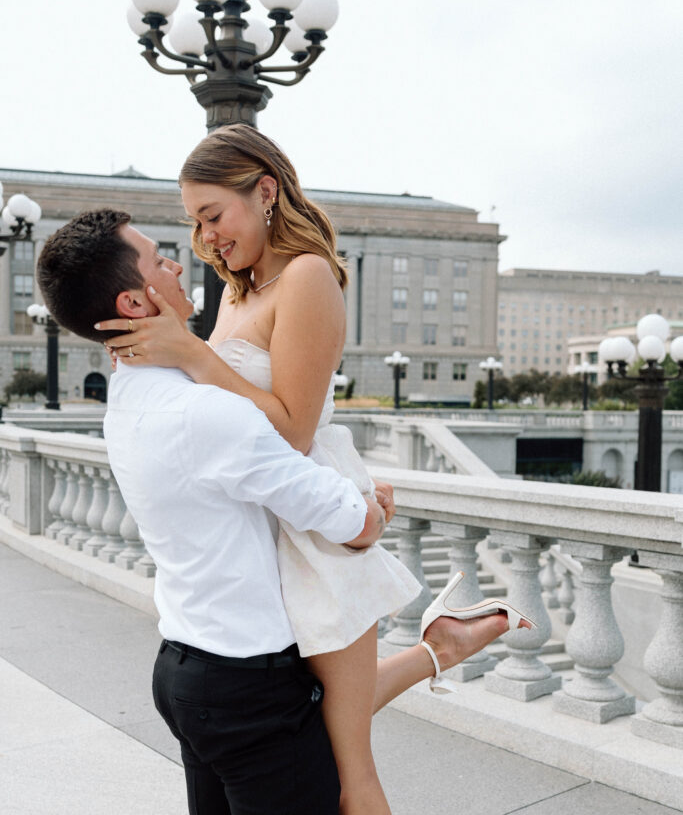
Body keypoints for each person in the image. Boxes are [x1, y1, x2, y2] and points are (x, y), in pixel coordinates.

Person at [95, 125, 530, 814]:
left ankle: (440, 646)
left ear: (264, 191)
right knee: (323, 718)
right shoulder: (236, 287)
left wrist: (190, 353)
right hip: (270, 519)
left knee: (351, 773)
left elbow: (293, 428)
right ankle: (440, 646)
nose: (204, 238)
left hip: (313, 524)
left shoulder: (307, 275)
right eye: (192, 223)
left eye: (212, 215)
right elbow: (216, 413)